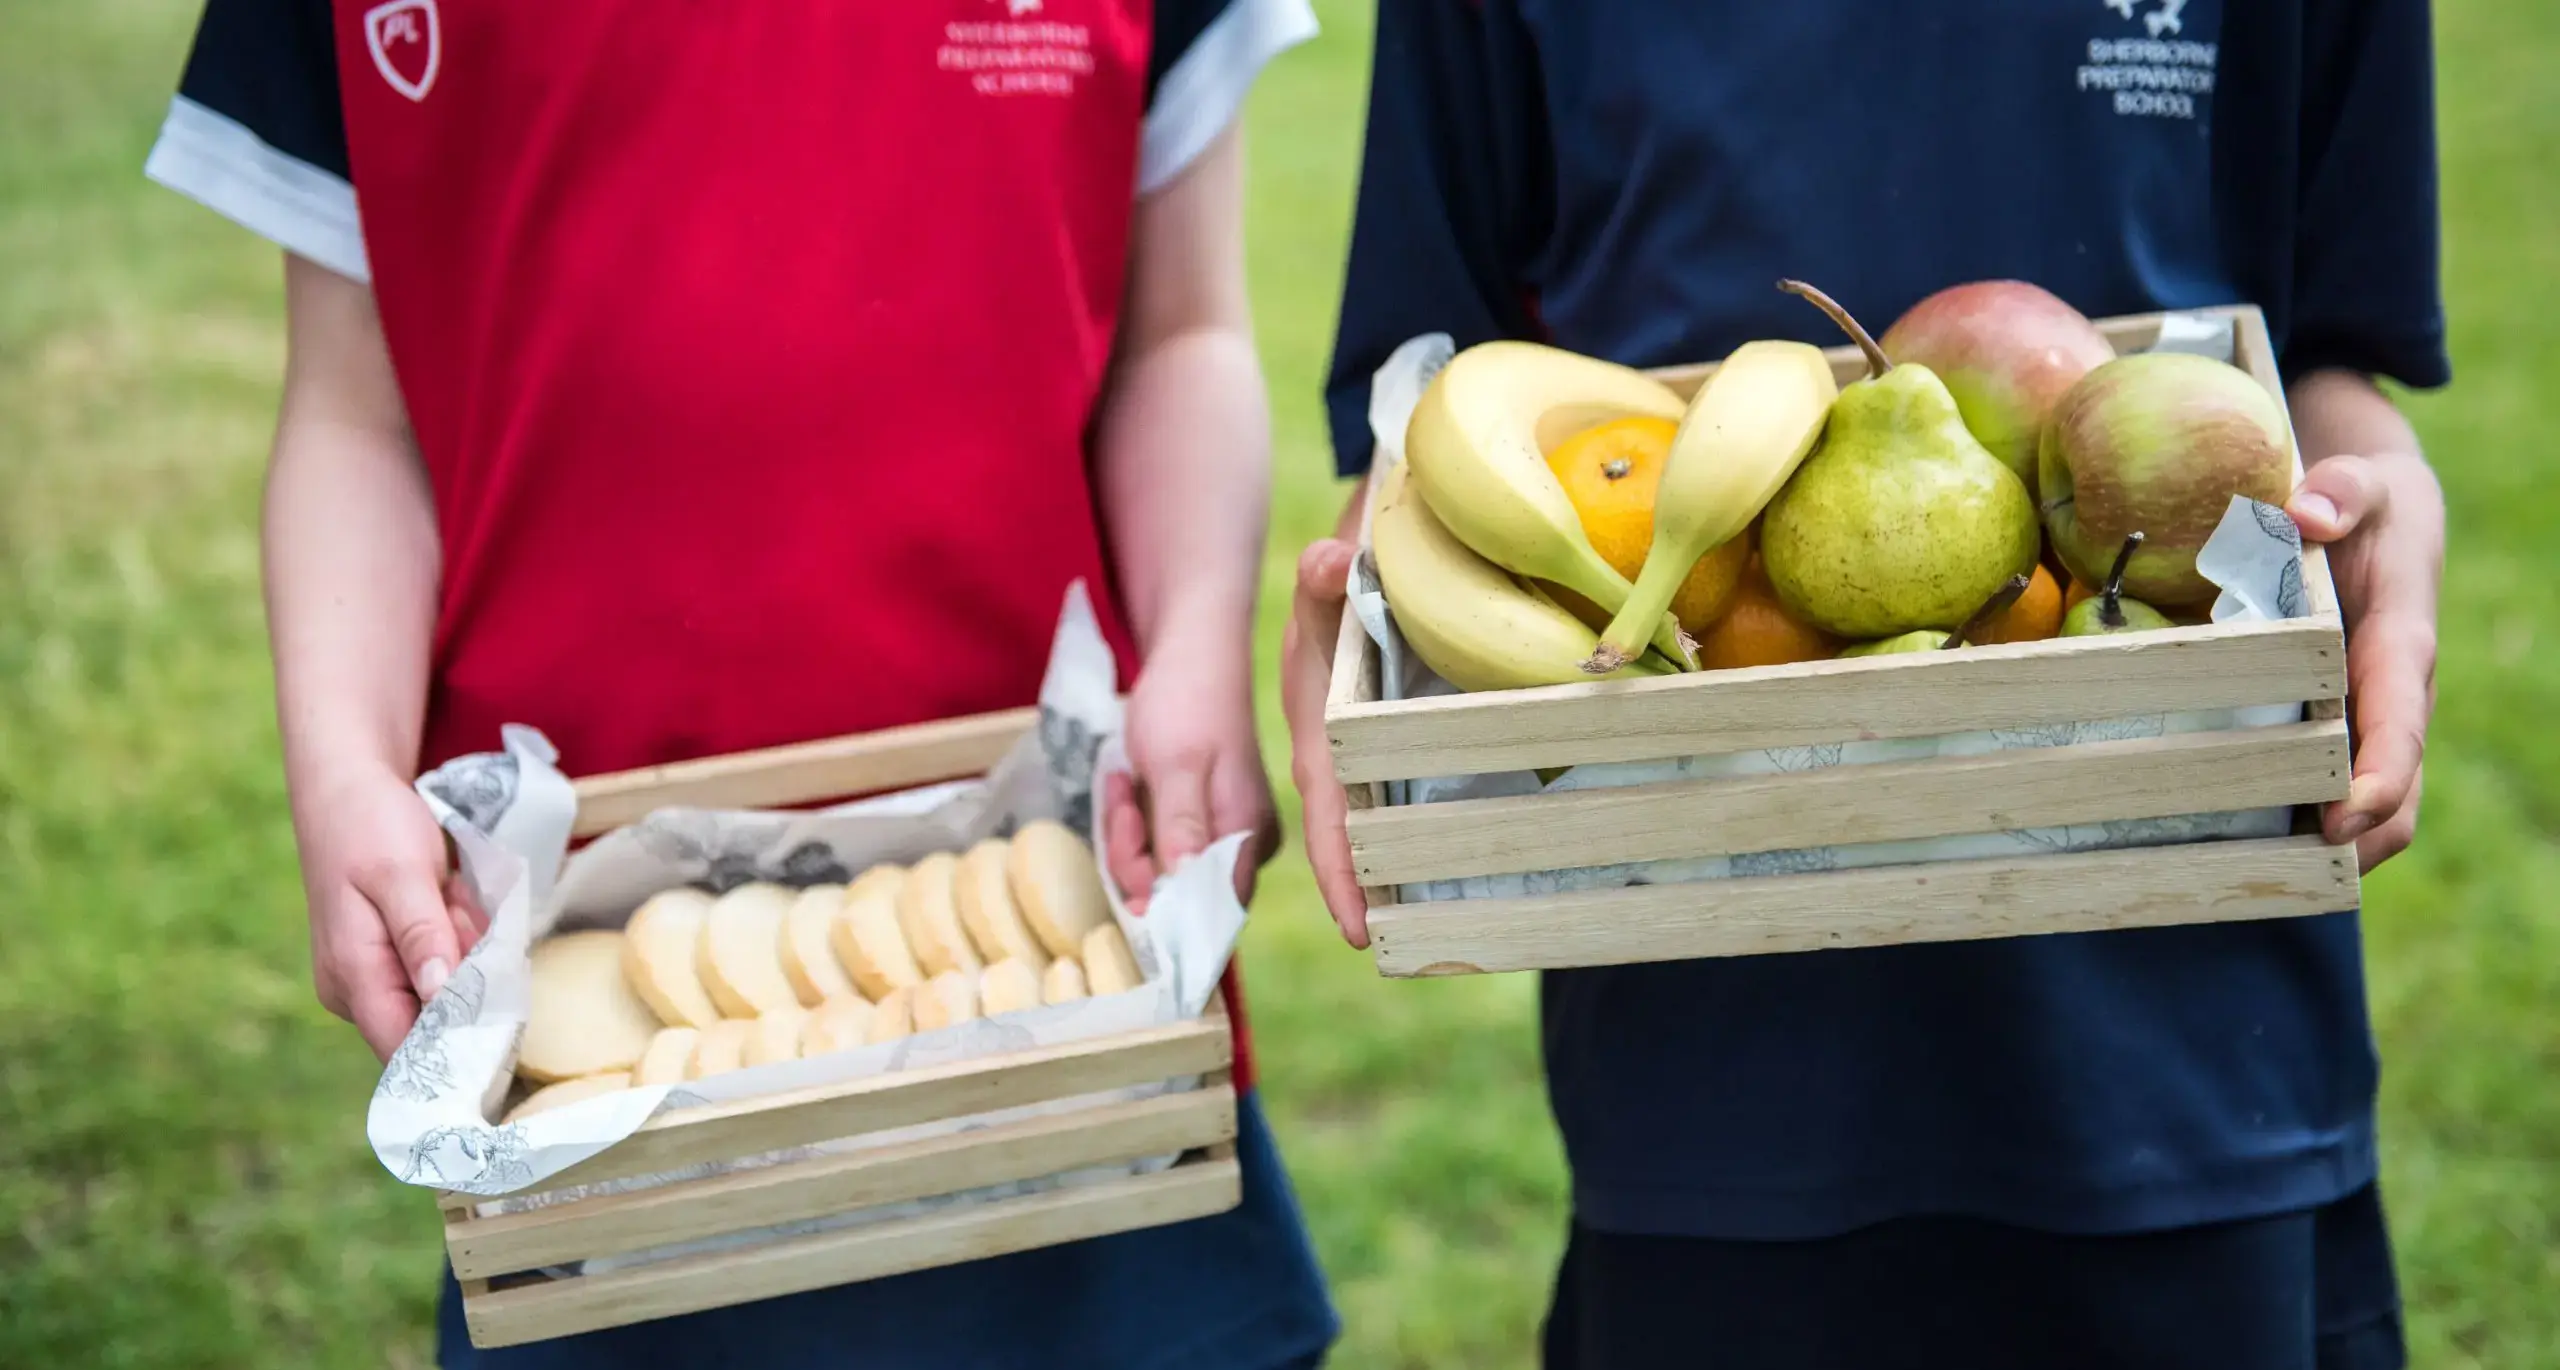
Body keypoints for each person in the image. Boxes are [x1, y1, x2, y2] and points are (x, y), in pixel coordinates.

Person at [146, 1, 1339, 1365]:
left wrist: (1196, 640)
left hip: (1077, 990)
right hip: (588, 1083)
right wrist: (343, 770)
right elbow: (359, 413)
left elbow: (1179, 333)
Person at [1283, 2, 2445, 1366]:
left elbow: (2327, 358)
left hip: (2194, 1028)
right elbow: (1428, 407)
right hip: (1708, 1046)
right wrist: (1378, 599)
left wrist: (2394, 504)